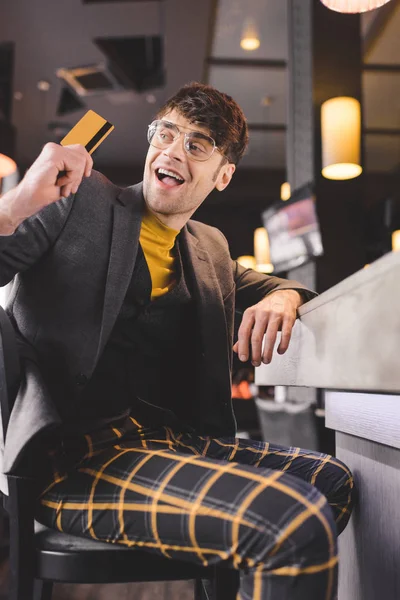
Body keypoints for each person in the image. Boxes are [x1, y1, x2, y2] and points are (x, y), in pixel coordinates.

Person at [0, 82, 353, 600]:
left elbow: (279, 284)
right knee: (288, 523)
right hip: (73, 457)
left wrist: (286, 298)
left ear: (224, 174)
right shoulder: (79, 199)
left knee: (335, 480)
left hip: (170, 442)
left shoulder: (209, 246)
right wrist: (15, 207)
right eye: (165, 134)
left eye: (197, 145)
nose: (172, 151)